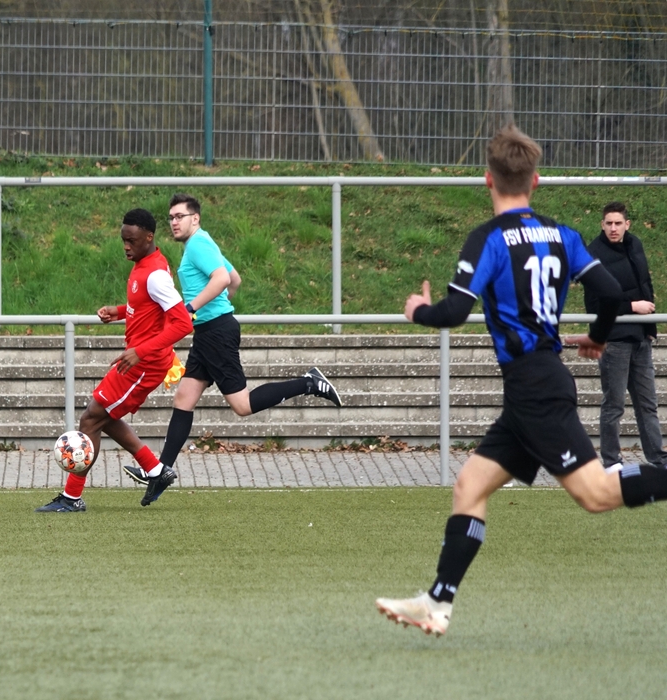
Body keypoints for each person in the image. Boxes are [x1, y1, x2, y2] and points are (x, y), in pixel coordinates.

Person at [374, 125, 667, 637]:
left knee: (596, 494)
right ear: (535, 181)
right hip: (534, 389)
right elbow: (611, 289)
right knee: (469, 485)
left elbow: (452, 311)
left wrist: (419, 310)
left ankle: (439, 600)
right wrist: (597, 336)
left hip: (535, 387)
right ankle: (438, 602)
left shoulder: (487, 239)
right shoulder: (561, 235)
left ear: (488, 179)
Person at [123, 193, 342, 496]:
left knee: (242, 405)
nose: (174, 222)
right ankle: (161, 473)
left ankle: (308, 383)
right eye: (171, 217)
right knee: (184, 399)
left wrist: (192, 309)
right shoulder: (201, 243)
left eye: (180, 217)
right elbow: (235, 279)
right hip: (209, 331)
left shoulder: (198, 244)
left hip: (215, 333)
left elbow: (223, 278)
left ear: (194, 219)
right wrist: (214, 311)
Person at [35, 208, 194, 512]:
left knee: (91, 419)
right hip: (138, 360)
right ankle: (156, 470)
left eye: (131, 240)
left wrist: (141, 351)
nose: (125, 246)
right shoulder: (144, 264)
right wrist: (119, 312)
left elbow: (183, 324)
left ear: (149, 237)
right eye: (123, 240)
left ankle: (72, 498)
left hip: (144, 364)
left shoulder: (157, 275)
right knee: (102, 417)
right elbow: (147, 307)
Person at [584, 202, 667, 469]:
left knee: (647, 404)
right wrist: (632, 307)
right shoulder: (593, 254)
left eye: (618, 223)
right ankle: (611, 461)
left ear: (627, 224)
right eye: (608, 223)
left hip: (640, 338)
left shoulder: (636, 245)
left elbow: (646, 286)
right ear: (602, 224)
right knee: (614, 404)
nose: (613, 228)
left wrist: (650, 329)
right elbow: (594, 305)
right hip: (613, 340)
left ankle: (658, 458)